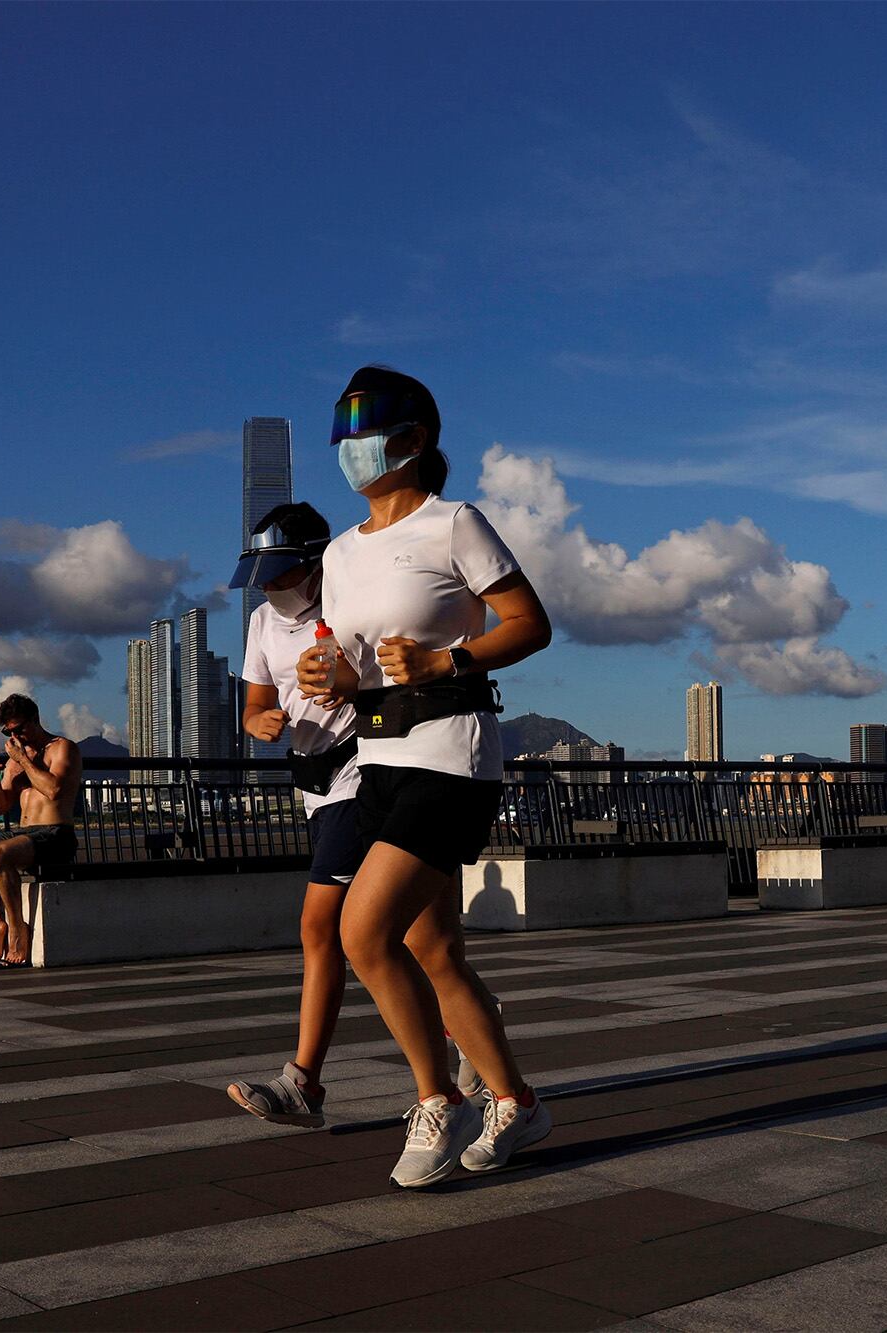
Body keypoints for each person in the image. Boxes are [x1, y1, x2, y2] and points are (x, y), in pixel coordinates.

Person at [298, 365, 554, 1188]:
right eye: (342, 431)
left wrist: (448, 656)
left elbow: (529, 622)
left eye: (366, 430)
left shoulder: (455, 524)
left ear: (415, 441)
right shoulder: (337, 554)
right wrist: (328, 673)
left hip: (450, 754)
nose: (351, 447)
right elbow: (352, 660)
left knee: (362, 935)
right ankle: (515, 1099)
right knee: (434, 949)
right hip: (376, 757)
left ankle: (436, 1098)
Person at [222, 502, 480, 1127]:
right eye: (265, 577)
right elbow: (256, 702)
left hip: (361, 769)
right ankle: (480, 1045)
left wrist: (342, 676)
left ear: (313, 565)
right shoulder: (261, 621)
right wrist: (264, 722)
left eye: (284, 574)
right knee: (429, 939)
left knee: (323, 925)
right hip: (311, 781)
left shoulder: (346, 601)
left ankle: (306, 1080)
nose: (274, 587)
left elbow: (377, 669)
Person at [0, 693, 83, 967]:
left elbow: (53, 790)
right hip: (23, 835)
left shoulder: (63, 748)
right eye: (10, 731)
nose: (16, 735)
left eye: (20, 728)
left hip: (55, 834)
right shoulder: (14, 759)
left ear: (35, 719)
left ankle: (18, 930)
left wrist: (24, 760)